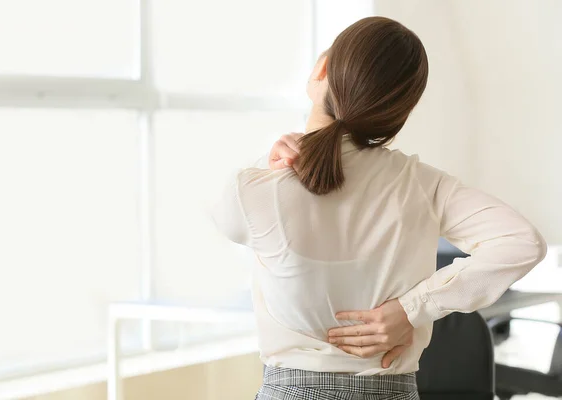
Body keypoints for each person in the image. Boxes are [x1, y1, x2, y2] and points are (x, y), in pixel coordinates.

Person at [211, 16, 546, 400]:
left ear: (322, 69)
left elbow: (226, 216)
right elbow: (522, 243)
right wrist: (412, 308)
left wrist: (269, 162)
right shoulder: (422, 184)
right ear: (400, 112)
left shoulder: (256, 189)